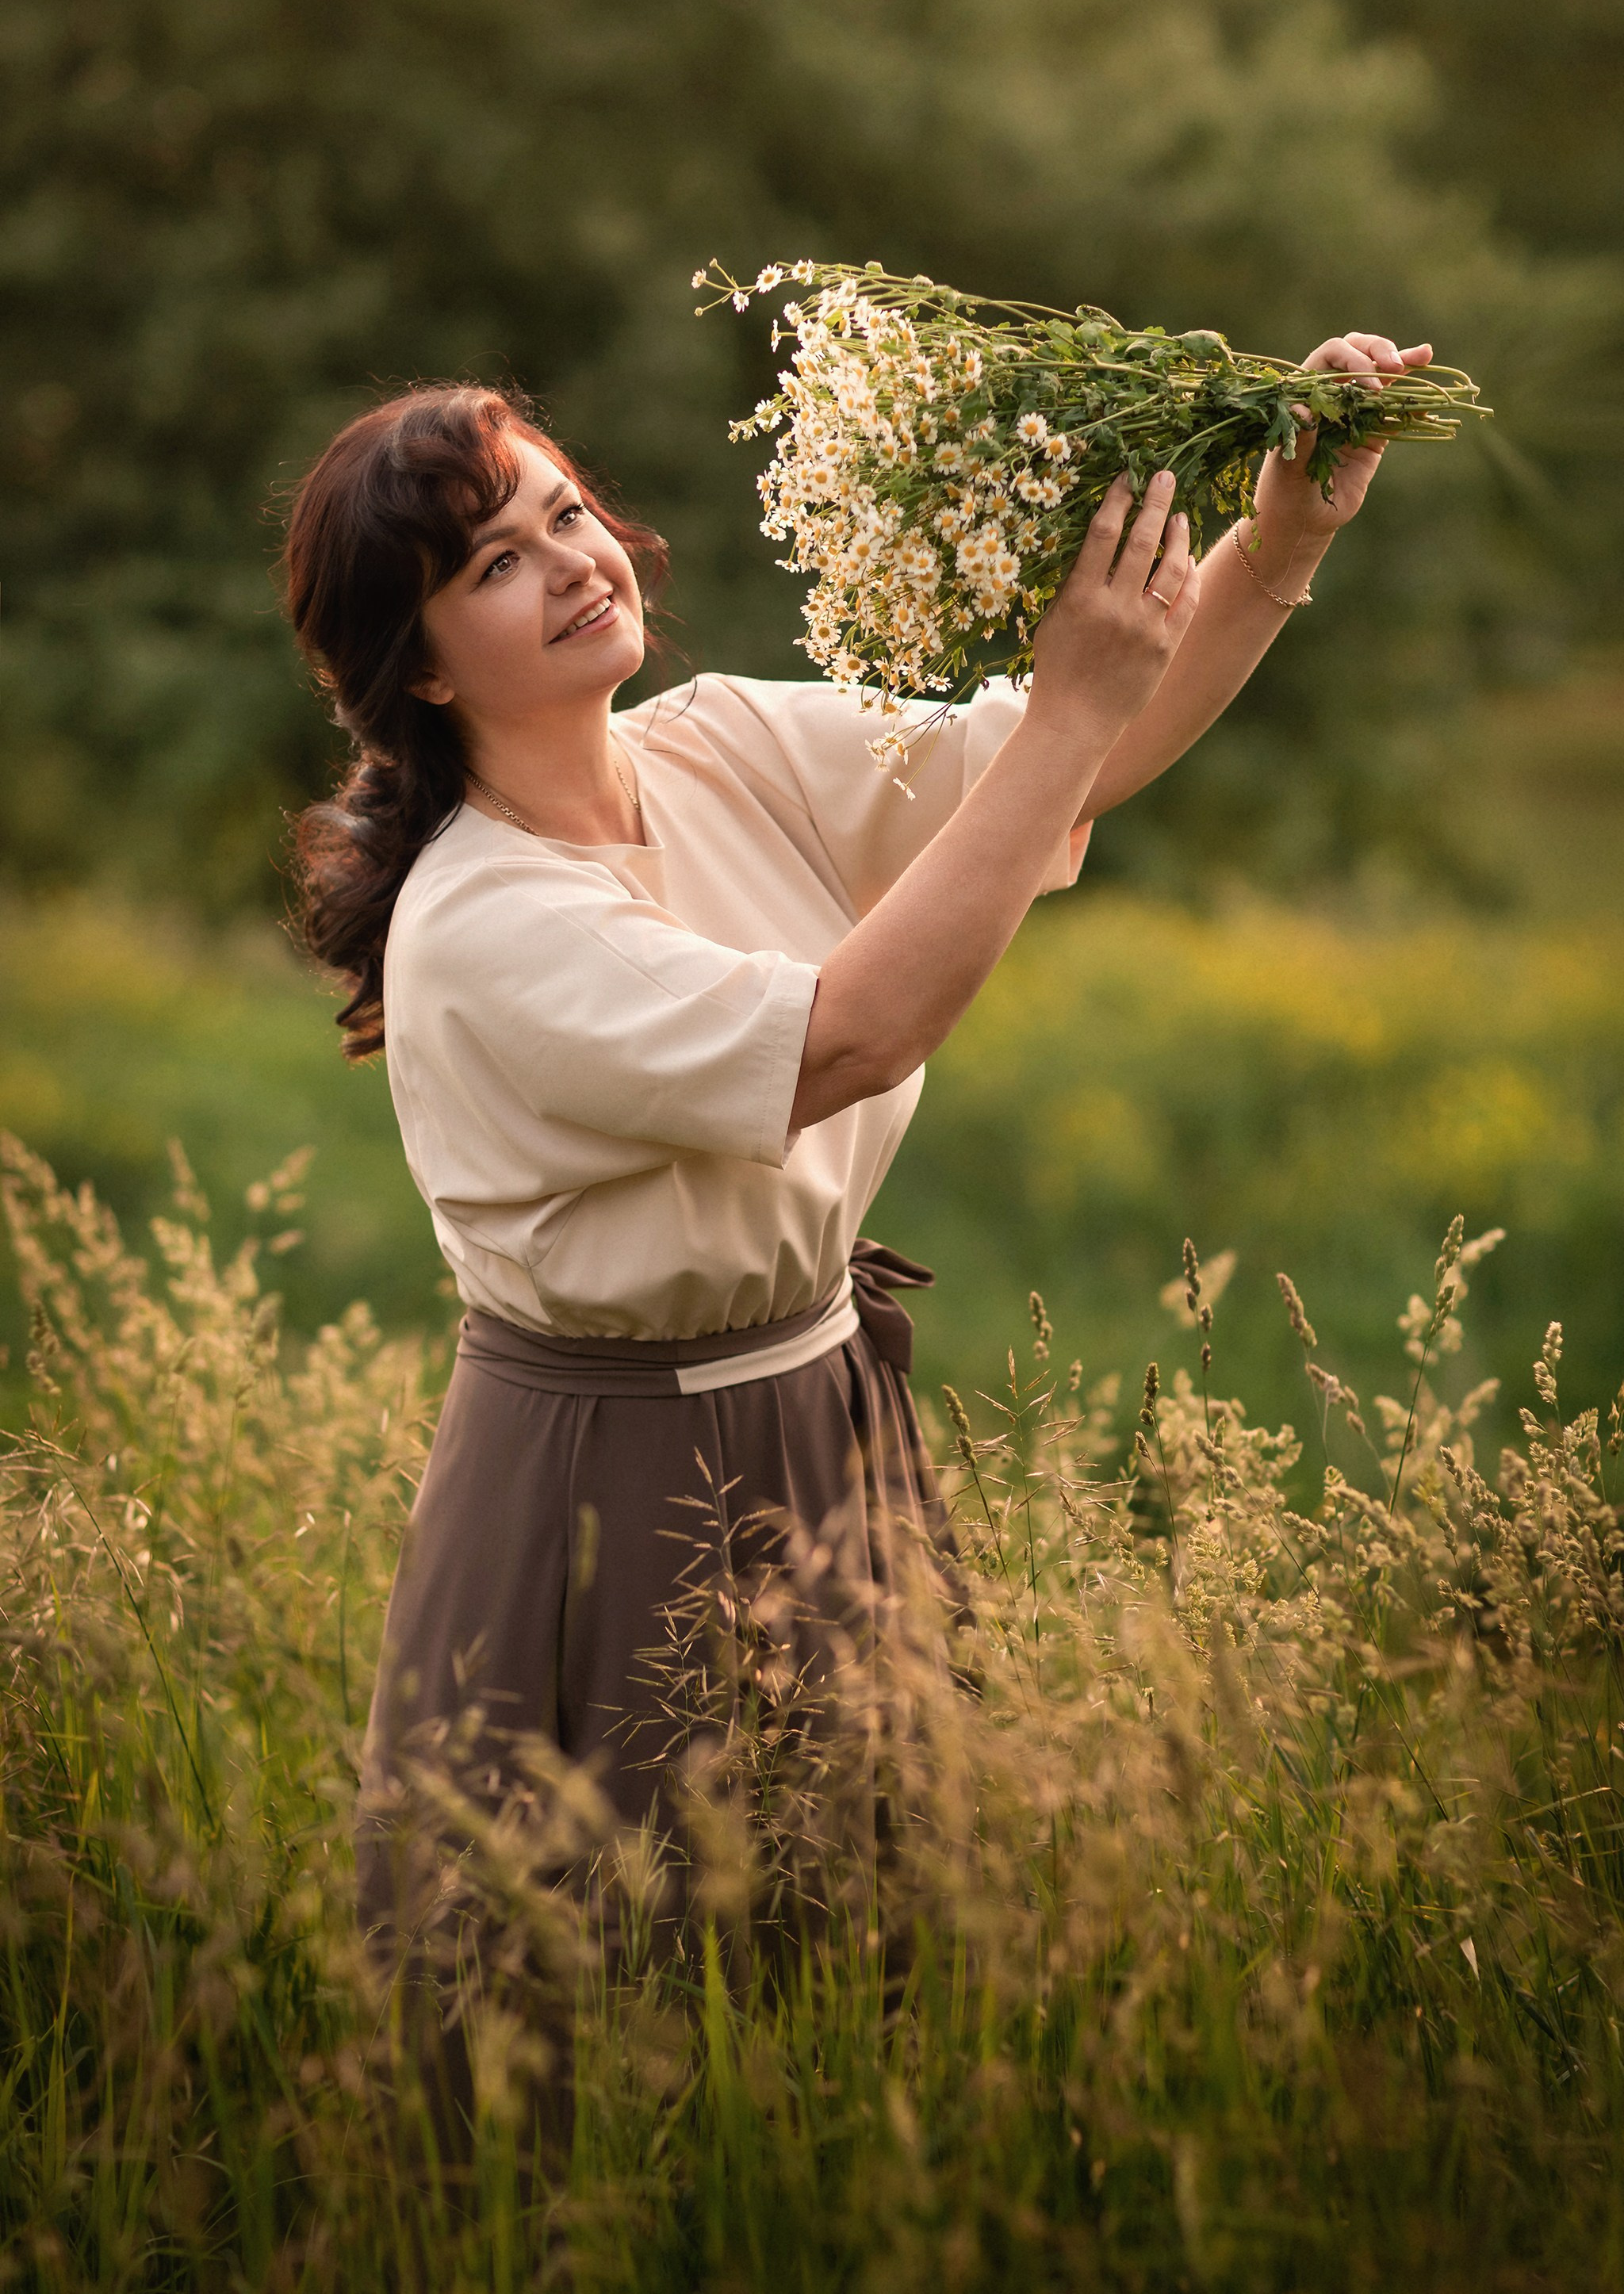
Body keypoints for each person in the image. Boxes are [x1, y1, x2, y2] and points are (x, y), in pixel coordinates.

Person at [283, 331, 1427, 1929]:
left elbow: (1079, 754)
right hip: (602, 1478)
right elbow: (848, 1034)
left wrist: (1287, 522)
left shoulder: (720, 746)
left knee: (862, 1949)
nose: (565, 564)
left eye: (564, 514)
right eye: (490, 561)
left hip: (823, 1414)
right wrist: (1061, 715)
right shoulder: (486, 922)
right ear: (417, 662)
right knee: (619, 1977)